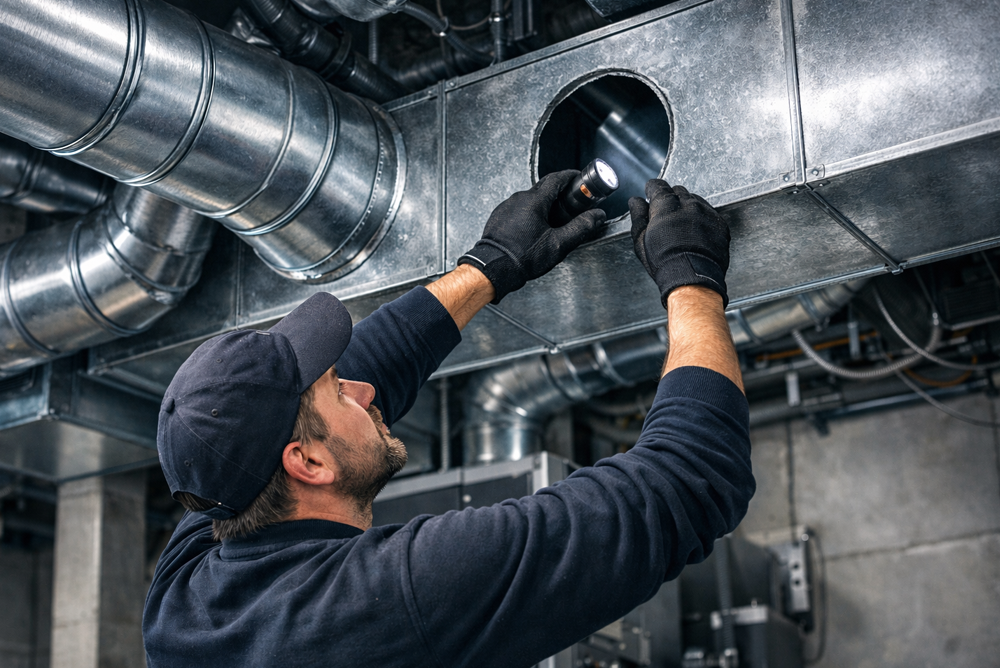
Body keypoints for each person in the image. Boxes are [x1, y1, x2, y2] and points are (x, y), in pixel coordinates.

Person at [143, 170, 754, 667]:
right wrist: (691, 279)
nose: (362, 389)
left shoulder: (187, 597)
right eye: (340, 392)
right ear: (306, 462)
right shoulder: (393, 599)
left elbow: (358, 373)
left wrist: (489, 265)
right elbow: (690, 479)